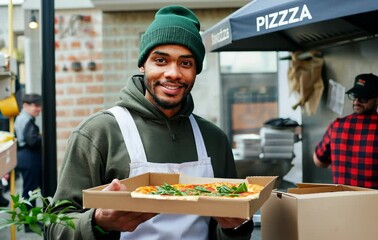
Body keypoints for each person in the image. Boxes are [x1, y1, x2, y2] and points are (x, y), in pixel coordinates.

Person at [45, 5, 253, 240]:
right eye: (161, 60)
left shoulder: (214, 139)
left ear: (196, 71)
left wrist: (235, 227)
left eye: (186, 63)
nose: (173, 73)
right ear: (143, 65)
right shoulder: (99, 133)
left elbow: (228, 229)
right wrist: (97, 222)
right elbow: (54, 228)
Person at [313, 73, 378, 225]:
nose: (356, 101)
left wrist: (340, 165)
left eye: (363, 97)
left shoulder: (336, 126)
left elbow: (318, 161)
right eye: (354, 95)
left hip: (342, 216)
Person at [14, 93, 43, 207]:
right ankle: (29, 223)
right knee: (30, 191)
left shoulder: (22, 118)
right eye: (35, 106)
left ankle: (30, 220)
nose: (39, 109)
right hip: (28, 157)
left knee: (29, 189)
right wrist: (42, 137)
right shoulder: (26, 120)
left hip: (25, 156)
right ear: (25, 105)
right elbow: (32, 141)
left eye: (39, 105)